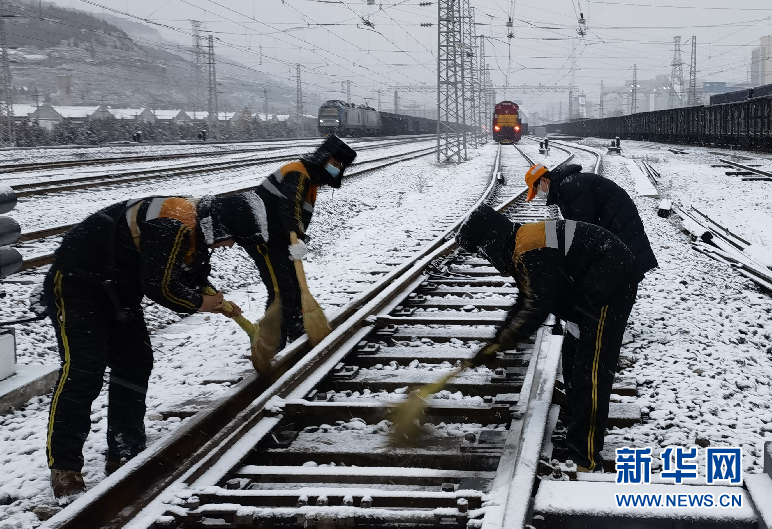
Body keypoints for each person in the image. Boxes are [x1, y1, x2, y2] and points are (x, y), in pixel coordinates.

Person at [43, 192, 266, 503]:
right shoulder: (171, 223)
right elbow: (159, 286)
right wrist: (199, 303)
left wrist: (215, 299)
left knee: (135, 363)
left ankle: (125, 450)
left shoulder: (195, 229)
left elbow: (190, 273)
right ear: (219, 226)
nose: (229, 246)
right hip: (78, 287)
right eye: (232, 239)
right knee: (83, 372)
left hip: (119, 292)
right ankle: (65, 468)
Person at [457, 204, 638, 472]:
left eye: (482, 252)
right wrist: (494, 342)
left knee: (590, 370)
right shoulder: (521, 245)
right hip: (588, 289)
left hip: (608, 285)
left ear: (490, 241)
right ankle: (577, 425)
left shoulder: (531, 248)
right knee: (574, 361)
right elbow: (525, 301)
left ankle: (586, 458)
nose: (485, 258)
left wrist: (503, 342)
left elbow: (538, 306)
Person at [244, 135, 356, 353]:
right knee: (281, 288)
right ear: (323, 158)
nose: (336, 169)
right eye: (334, 163)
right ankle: (271, 343)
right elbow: (289, 209)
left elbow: (295, 213)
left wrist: (297, 239)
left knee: (293, 285)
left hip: (277, 237)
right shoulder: (298, 174)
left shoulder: (310, 178)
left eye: (339, 166)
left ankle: (294, 327)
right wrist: (294, 238)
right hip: (261, 237)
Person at [524, 163, 657, 282]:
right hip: (613, 217)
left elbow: (584, 222)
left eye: (536, 189)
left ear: (544, 180)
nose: (538, 194)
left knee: (622, 264)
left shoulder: (569, 185)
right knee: (619, 267)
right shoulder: (563, 187)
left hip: (618, 218)